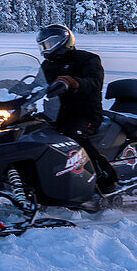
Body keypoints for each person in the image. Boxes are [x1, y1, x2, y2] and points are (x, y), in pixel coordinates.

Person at [36, 23, 117, 193]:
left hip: (84, 114)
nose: (46, 49)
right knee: (32, 131)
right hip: (55, 114)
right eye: (43, 45)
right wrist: (10, 85)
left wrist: (73, 82)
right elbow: (36, 86)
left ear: (64, 41)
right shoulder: (47, 65)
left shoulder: (87, 59)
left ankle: (106, 177)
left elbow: (95, 82)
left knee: (74, 136)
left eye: (49, 44)